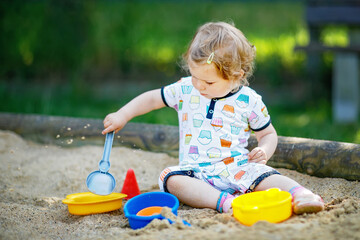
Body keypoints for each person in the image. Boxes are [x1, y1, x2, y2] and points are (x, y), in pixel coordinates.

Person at [102, 22, 324, 214]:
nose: (199, 85)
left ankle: (302, 194)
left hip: (237, 168)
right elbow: (152, 99)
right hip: (197, 173)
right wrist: (123, 114)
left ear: (237, 75)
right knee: (170, 178)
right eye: (195, 76)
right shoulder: (186, 89)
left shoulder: (248, 100)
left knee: (265, 175)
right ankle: (226, 203)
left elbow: (267, 133)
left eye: (208, 83)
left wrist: (264, 150)